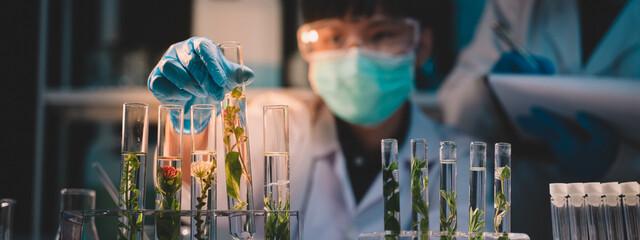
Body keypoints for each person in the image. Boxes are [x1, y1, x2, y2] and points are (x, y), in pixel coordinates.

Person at [148, 0, 476, 239]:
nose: (354, 54)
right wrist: (189, 120)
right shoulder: (273, 125)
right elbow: (200, 209)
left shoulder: (459, 159)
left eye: (380, 35)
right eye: (334, 37)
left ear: (422, 46)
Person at [438, 0, 640, 238]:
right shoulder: (517, 5)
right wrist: (487, 89)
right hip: (523, 209)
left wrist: (622, 163)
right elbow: (452, 107)